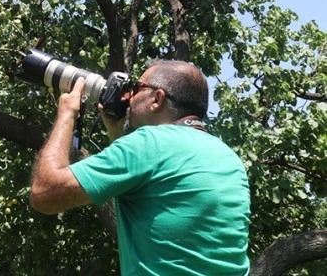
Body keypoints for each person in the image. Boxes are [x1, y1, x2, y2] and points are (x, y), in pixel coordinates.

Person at [29, 60, 251, 275]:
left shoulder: (149, 143)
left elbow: (44, 193)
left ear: (157, 99)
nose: (128, 97)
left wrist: (67, 114)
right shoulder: (228, 158)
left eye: (137, 88)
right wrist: (117, 136)